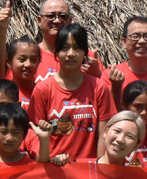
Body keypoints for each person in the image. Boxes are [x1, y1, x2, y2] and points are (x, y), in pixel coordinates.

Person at [30, 24, 116, 163]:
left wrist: (100, 168)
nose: (71, 53)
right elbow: (35, 137)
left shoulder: (99, 87)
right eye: (65, 48)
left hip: (89, 172)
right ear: (56, 54)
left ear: (85, 53)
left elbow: (103, 135)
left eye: (77, 48)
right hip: (54, 170)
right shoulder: (43, 90)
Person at [33, 0, 103, 82]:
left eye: (63, 16)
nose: (57, 21)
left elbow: (108, 92)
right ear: (39, 20)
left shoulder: (87, 59)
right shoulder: (30, 58)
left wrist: (97, 74)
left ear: (70, 21)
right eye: (51, 16)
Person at [0, 1, 40, 111]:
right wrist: (2, 30)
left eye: (33, 60)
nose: (28, 64)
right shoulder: (3, 89)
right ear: (8, 62)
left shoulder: (43, 91)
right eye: (22, 59)